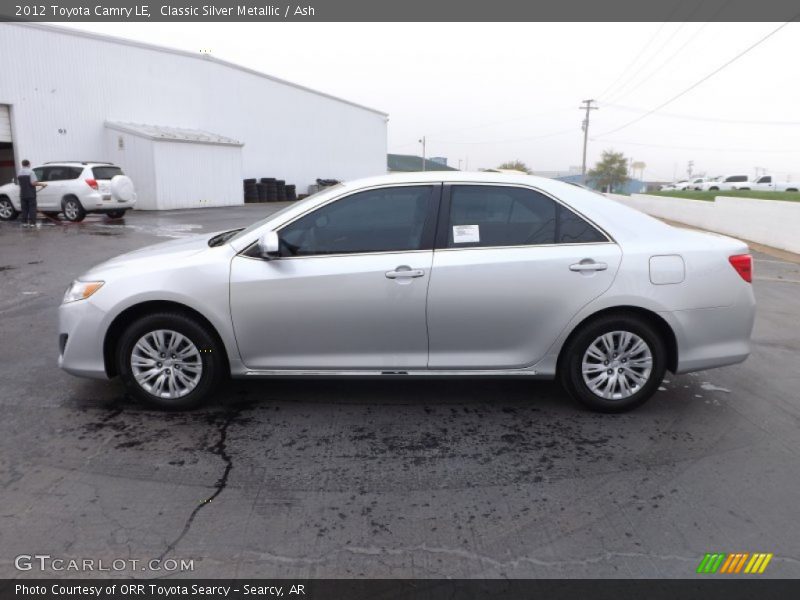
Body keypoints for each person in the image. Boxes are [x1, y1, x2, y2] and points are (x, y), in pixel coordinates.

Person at [17, 159, 46, 228]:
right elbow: (33, 183)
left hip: (23, 194)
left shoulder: (19, 172)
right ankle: (32, 223)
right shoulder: (31, 172)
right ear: (28, 164)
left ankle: (24, 223)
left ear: (22, 164)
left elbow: (19, 183)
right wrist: (43, 184)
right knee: (32, 209)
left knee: (24, 209)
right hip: (30, 194)